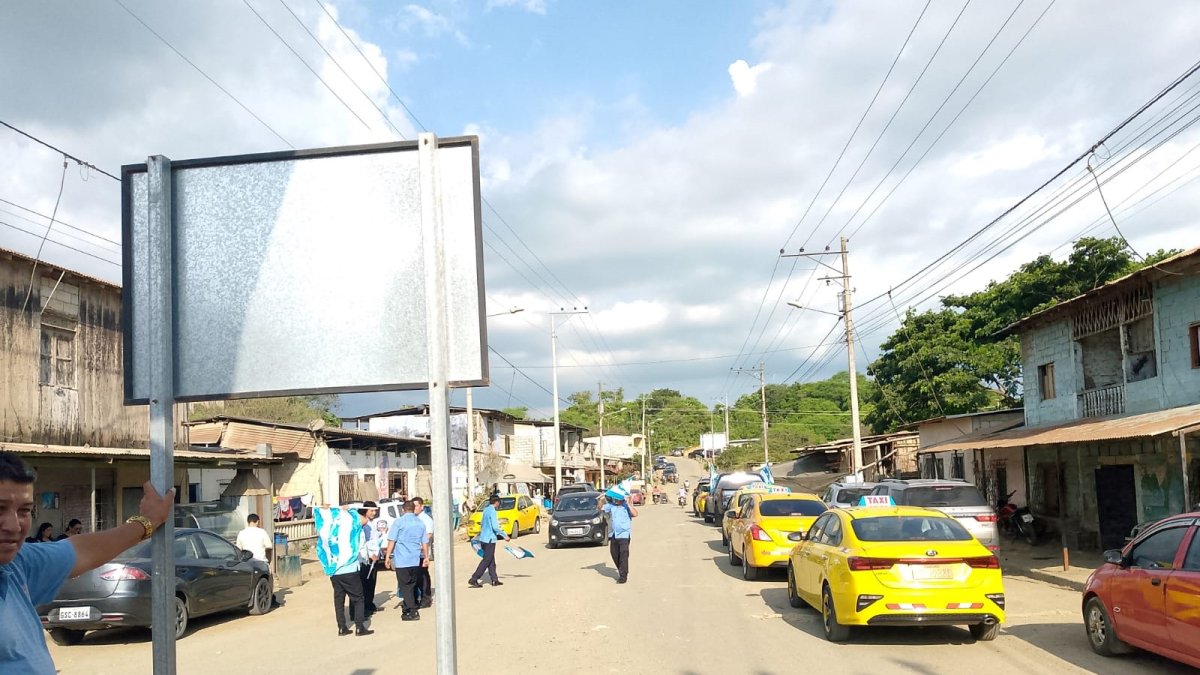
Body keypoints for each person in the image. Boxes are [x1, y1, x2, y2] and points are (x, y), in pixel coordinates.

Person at [0, 451, 174, 673]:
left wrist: (147, 522)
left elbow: (83, 550)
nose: (14, 526)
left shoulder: (17, 563)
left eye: (24, 510)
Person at [315, 504, 372, 637]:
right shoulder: (350, 528)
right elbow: (364, 520)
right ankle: (359, 627)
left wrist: (333, 508)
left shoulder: (329, 532)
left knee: (339, 600)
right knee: (358, 598)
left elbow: (321, 511)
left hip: (334, 570)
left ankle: (342, 627)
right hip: (349, 569)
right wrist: (349, 509)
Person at [384, 500, 427, 621]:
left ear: (403, 510)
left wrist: (387, 556)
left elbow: (392, 540)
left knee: (404, 586)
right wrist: (427, 557)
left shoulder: (399, 522)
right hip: (414, 559)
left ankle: (413, 611)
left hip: (402, 560)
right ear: (414, 509)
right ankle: (408, 607)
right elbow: (425, 542)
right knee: (412, 585)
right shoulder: (420, 523)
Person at [467, 494, 509, 589]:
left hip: (483, 538)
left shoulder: (485, 510)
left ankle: (494, 579)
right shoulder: (493, 512)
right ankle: (474, 578)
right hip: (490, 539)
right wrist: (504, 535)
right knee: (486, 560)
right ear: (497, 502)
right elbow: (495, 527)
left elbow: (482, 524)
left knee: (491, 560)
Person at [601, 493, 638, 584]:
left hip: (624, 535)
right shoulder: (611, 506)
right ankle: (622, 569)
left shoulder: (626, 506)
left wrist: (629, 503)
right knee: (614, 554)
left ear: (622, 499)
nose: (616, 501)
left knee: (623, 555)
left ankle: (623, 576)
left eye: (618, 499)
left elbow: (635, 514)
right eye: (615, 499)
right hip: (614, 535)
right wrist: (600, 499)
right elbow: (600, 508)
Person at [358, 502, 384, 615]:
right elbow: (364, 542)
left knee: (372, 582)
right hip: (367, 557)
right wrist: (369, 554)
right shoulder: (363, 524)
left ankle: (370, 604)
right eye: (371, 511)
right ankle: (365, 607)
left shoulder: (372, 523)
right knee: (365, 583)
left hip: (375, 556)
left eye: (375, 511)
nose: (374, 513)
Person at [411, 497, 434, 608]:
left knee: (423, 576)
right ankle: (414, 598)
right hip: (411, 553)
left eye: (416, 506)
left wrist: (420, 546)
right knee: (414, 577)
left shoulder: (426, 519)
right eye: (413, 506)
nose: (414, 508)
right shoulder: (411, 519)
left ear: (421, 506)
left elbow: (429, 534)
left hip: (421, 552)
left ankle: (426, 598)